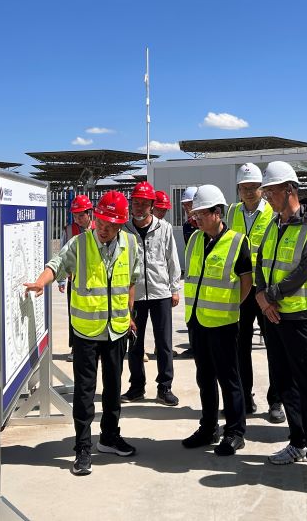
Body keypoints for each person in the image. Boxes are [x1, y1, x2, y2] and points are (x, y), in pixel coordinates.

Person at [23, 191, 140, 476]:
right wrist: (41, 282)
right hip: (86, 331)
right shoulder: (79, 243)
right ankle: (83, 447)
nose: (103, 228)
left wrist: (130, 314)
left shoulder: (130, 244)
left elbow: (131, 281)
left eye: (110, 224)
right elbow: (56, 265)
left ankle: (109, 437)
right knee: (85, 392)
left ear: (121, 224)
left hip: (116, 330)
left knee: (113, 389)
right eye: (101, 221)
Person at [256, 161, 307, 490]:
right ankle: (297, 442)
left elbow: (305, 267)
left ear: (289, 190)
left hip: (300, 318)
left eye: (271, 192)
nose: (267, 197)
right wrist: (261, 296)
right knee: (284, 382)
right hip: (273, 316)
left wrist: (270, 295)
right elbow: (261, 262)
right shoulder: (272, 226)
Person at [181, 184, 253, 455]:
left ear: (217, 213)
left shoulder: (237, 241)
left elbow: (246, 283)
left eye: (202, 213)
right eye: (195, 214)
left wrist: (230, 306)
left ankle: (235, 432)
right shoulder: (195, 240)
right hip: (197, 320)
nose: (196, 218)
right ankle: (209, 427)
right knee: (205, 378)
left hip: (223, 323)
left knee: (229, 378)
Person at [226, 162, 284, 424]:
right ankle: (245, 398)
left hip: (265, 290)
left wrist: (271, 291)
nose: (249, 192)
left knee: (274, 346)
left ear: (262, 189)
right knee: (240, 346)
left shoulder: (273, 213)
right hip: (241, 288)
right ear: (238, 189)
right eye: (244, 188)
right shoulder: (232, 212)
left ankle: (276, 401)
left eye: (253, 187)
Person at [121, 181, 182, 406]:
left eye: (144, 203)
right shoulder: (124, 229)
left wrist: (174, 288)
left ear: (151, 205)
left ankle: (164, 388)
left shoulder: (163, 228)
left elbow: (172, 258)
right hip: (134, 295)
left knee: (164, 343)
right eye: (136, 203)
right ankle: (136, 387)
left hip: (160, 293)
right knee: (134, 344)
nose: (139, 207)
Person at [59, 194, 94, 363]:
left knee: (94, 315)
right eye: (75, 216)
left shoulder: (99, 228)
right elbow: (62, 256)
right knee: (74, 315)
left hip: (95, 282)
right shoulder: (68, 230)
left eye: (81, 215)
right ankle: (75, 347)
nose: (78, 219)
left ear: (89, 213)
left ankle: (94, 347)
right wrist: (61, 279)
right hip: (74, 282)